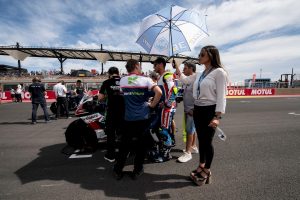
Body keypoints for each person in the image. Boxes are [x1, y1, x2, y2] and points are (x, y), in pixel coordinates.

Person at [113, 59, 162, 180]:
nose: (140, 68)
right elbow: (159, 92)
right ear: (136, 66)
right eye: (139, 66)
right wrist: (152, 105)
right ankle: (137, 170)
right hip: (143, 118)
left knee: (124, 145)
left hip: (129, 118)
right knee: (141, 146)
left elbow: (122, 95)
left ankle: (118, 170)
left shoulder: (123, 80)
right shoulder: (145, 79)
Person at [187, 45, 227, 186]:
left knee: (207, 142)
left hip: (210, 111)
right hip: (198, 109)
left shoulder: (219, 72)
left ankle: (207, 170)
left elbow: (222, 96)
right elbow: (185, 81)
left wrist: (217, 117)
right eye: (199, 54)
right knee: (201, 141)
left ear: (210, 55)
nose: (199, 56)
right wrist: (178, 68)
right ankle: (201, 165)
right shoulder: (200, 73)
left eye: (202, 54)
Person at [152, 57, 178, 162]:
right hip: (162, 108)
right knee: (160, 130)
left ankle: (166, 155)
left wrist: (167, 104)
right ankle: (162, 151)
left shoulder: (168, 75)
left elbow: (174, 90)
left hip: (167, 109)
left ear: (160, 64)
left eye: (155, 64)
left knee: (163, 131)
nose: (153, 66)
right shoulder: (160, 78)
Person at [98, 67, 124, 163]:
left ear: (109, 73)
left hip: (111, 112)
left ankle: (111, 156)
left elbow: (100, 98)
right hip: (123, 112)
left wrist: (106, 97)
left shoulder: (106, 82)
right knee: (123, 134)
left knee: (111, 135)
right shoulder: (124, 81)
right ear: (118, 72)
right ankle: (123, 154)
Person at [175, 62, 199, 163]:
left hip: (192, 110)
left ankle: (188, 153)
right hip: (187, 109)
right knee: (192, 129)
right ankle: (193, 146)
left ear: (191, 68)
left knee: (189, 130)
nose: (184, 70)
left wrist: (194, 109)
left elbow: (199, 95)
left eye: (185, 68)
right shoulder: (189, 80)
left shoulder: (196, 79)